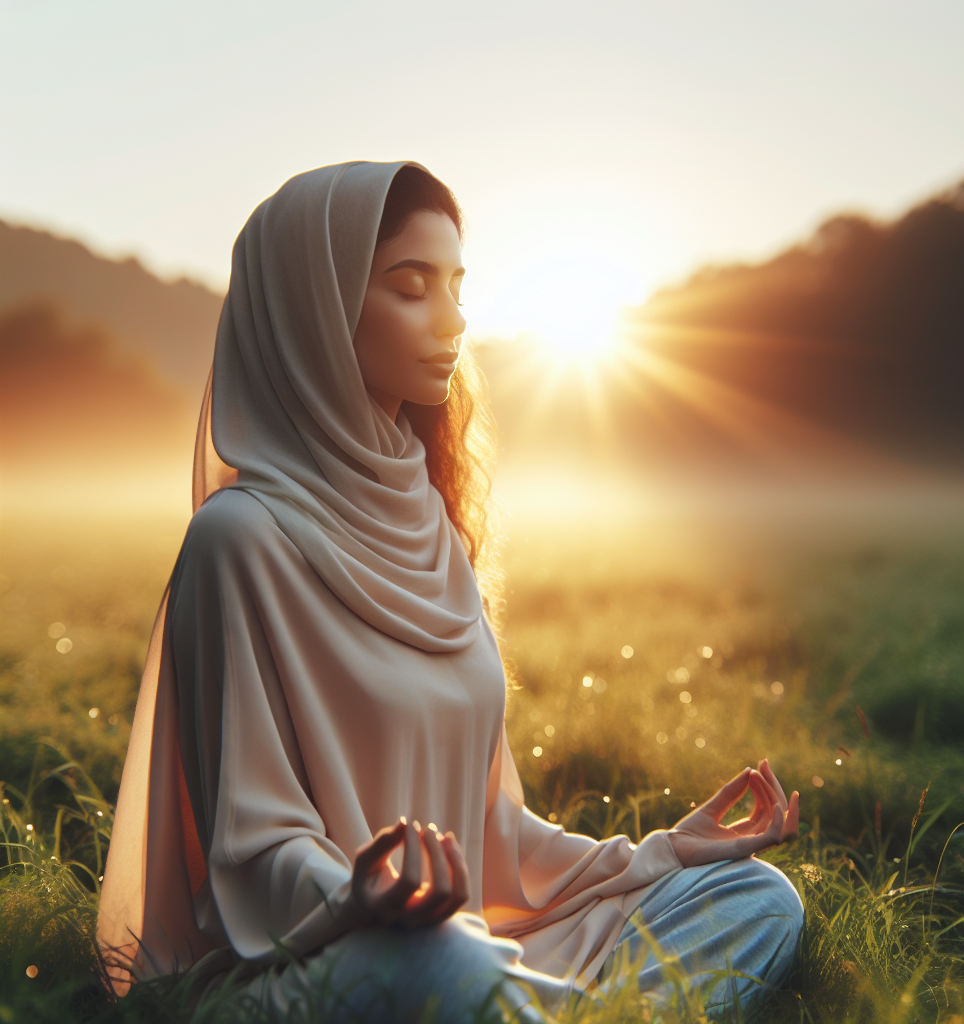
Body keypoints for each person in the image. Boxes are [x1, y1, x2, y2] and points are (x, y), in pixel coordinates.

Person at [97, 161, 803, 1023]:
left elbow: (492, 837)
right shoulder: (237, 540)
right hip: (325, 954)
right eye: (411, 286)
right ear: (315, 312)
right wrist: (362, 895)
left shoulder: (435, 526)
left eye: (458, 286)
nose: (452, 320)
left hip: (456, 936)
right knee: (445, 968)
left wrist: (656, 855)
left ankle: (537, 1010)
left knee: (756, 899)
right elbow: (251, 852)